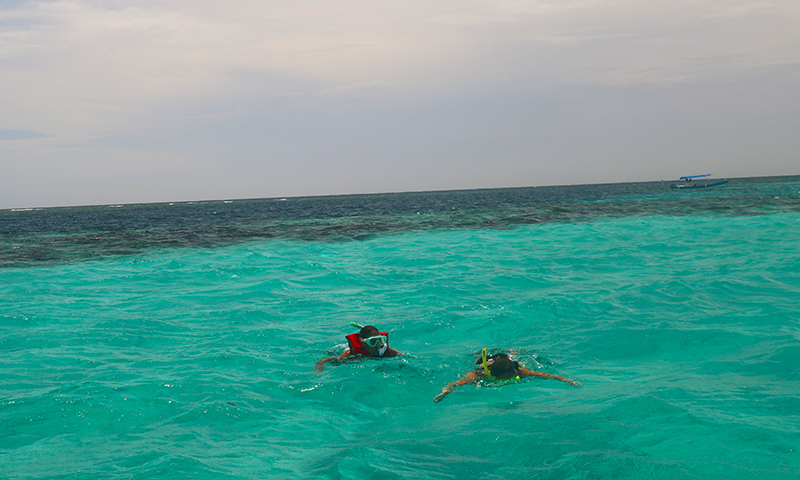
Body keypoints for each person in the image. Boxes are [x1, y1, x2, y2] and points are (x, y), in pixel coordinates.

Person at [433, 348, 581, 403]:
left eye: (515, 373)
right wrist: (444, 393)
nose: (515, 375)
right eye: (511, 375)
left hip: (505, 359)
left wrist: (567, 380)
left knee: (512, 355)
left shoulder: (519, 371)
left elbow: (545, 375)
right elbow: (455, 384)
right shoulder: (478, 375)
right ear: (498, 376)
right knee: (476, 359)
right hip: (485, 361)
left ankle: (511, 352)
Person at [314, 323, 403, 373]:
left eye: (380, 340)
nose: (378, 345)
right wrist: (319, 367)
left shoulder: (385, 350)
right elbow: (329, 360)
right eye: (373, 341)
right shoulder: (352, 353)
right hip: (342, 349)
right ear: (363, 343)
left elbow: (403, 356)